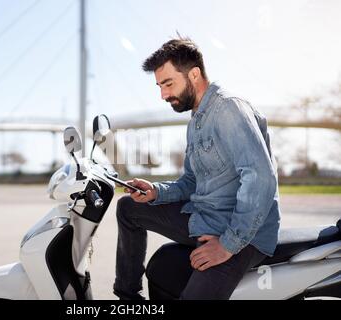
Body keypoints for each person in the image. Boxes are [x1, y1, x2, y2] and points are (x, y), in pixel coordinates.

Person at [113, 36, 281, 300]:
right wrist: (156, 191)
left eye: (168, 84)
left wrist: (227, 245)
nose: (163, 95)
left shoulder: (228, 109)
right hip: (206, 217)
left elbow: (260, 179)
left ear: (193, 74)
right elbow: (191, 182)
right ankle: (129, 298)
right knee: (128, 208)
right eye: (159, 86)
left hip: (242, 234)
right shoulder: (196, 120)